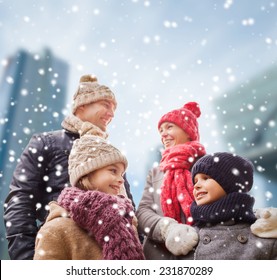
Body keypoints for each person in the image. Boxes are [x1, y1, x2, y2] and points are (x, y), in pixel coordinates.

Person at [4, 74, 135, 260]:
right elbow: (20, 198)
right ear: (82, 105)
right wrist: (27, 259)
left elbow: (129, 206)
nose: (112, 114)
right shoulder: (47, 142)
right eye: (106, 105)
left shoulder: (112, 156)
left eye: (114, 109)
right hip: (62, 251)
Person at [34, 128, 144, 260]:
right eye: (113, 171)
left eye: (121, 174)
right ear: (87, 173)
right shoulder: (55, 230)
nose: (121, 179)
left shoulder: (127, 223)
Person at [136, 102, 206, 259]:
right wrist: (167, 229)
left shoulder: (208, 165)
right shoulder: (156, 172)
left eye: (169, 127)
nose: (163, 134)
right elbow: (142, 212)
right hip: (160, 256)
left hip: (202, 253)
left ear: (188, 131)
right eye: (161, 130)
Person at [180, 152, 277, 259]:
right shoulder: (187, 239)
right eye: (195, 181)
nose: (196, 186)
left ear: (231, 184)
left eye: (206, 178)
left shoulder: (265, 235)